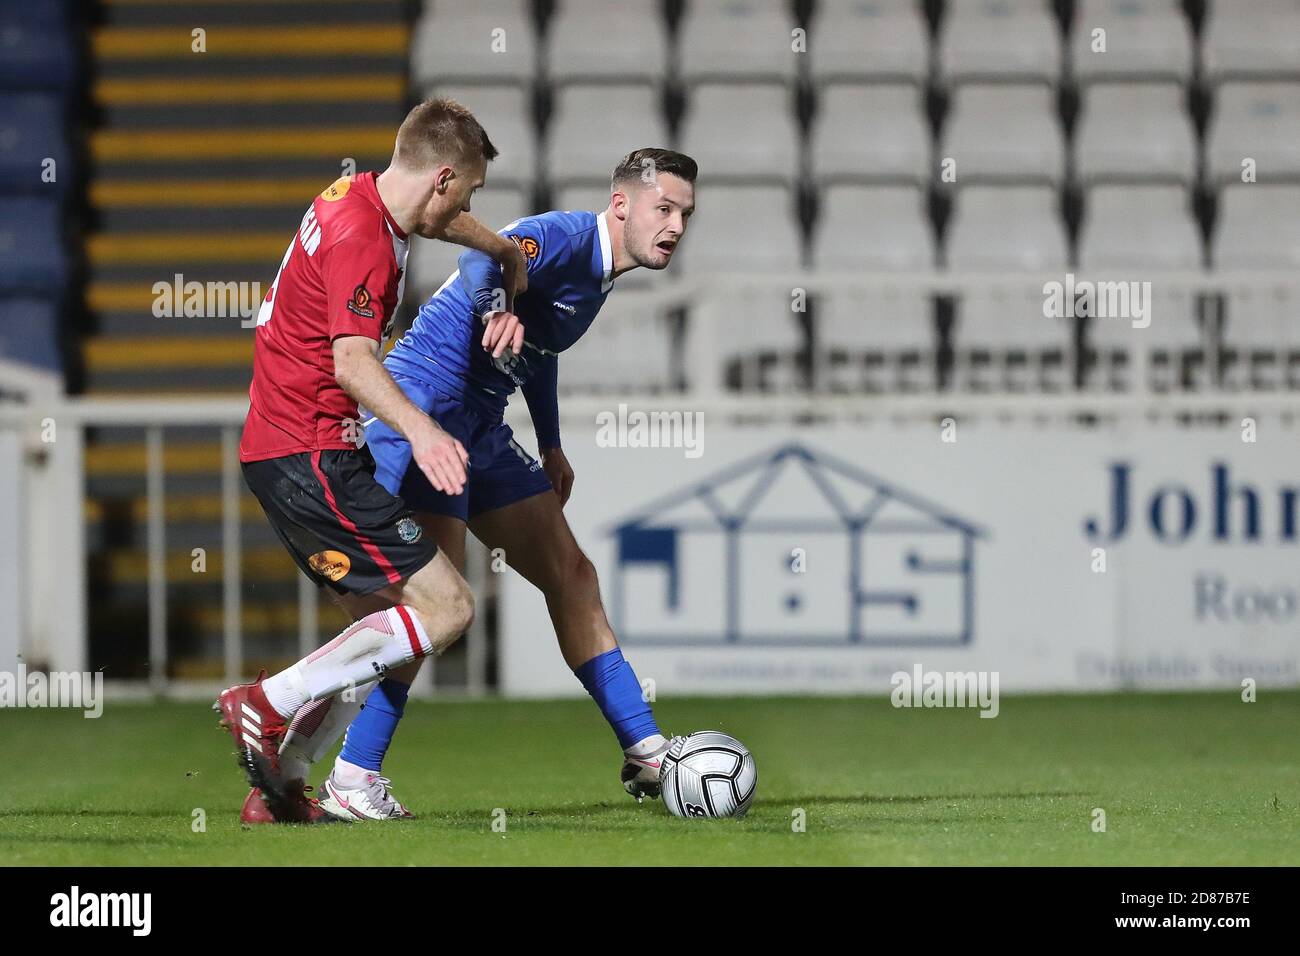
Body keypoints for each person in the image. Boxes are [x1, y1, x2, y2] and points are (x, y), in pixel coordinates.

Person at [259, 148, 699, 822]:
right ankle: (342, 769)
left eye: (684, 214)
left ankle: (644, 748)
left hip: (482, 424)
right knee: (428, 611)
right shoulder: (564, 237)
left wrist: (550, 442)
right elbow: (483, 260)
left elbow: (539, 351)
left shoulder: (600, 274)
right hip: (427, 405)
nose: (674, 224)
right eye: (663, 208)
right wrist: (497, 309)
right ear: (621, 205)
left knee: (572, 576)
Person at [217, 98, 528, 823]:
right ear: (444, 177)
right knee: (448, 609)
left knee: (386, 636)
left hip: (289, 448)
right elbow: (353, 363)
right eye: (471, 190)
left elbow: (438, 219)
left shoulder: (361, 197)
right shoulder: (363, 237)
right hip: (311, 453)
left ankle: (284, 787)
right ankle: (264, 703)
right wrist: (423, 433)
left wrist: (503, 250)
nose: (467, 206)